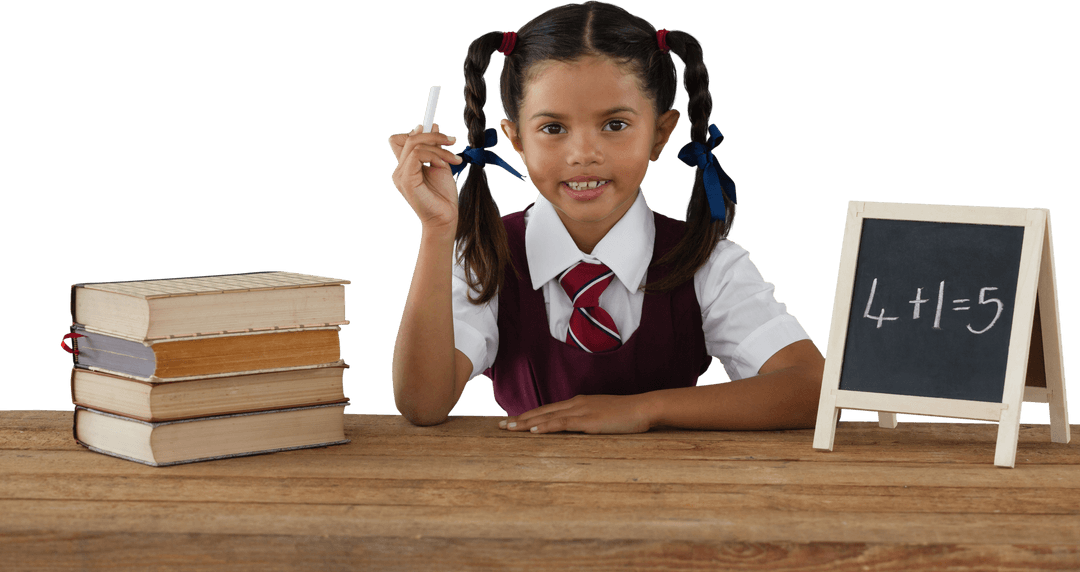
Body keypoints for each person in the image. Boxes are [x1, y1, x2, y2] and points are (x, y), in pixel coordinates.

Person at [388, 1, 824, 434]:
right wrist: (438, 229)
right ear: (516, 139)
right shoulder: (485, 255)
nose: (583, 154)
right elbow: (424, 405)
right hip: (519, 493)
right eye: (553, 128)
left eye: (615, 125)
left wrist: (644, 409)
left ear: (662, 134)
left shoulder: (708, 262)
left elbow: (813, 389)